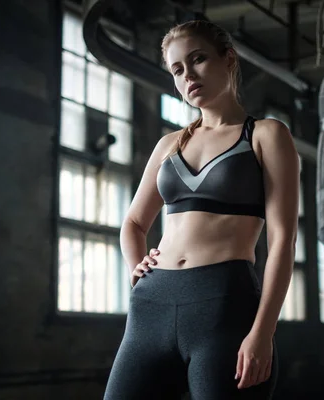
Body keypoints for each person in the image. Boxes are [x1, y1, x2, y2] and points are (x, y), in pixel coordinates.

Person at [103, 19, 300, 400]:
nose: (188, 75)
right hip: (150, 307)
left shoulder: (266, 135)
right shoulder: (169, 145)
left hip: (223, 306)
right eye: (177, 69)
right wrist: (136, 268)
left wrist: (263, 331)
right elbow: (133, 222)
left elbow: (283, 242)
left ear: (228, 58)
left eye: (198, 60)